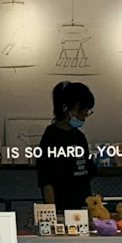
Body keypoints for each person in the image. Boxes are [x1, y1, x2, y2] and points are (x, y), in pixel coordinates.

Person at [35, 80, 96, 215]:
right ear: (66, 108)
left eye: (87, 111)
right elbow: (46, 181)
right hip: (62, 210)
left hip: (83, 208)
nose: (85, 115)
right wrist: (53, 214)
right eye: (81, 110)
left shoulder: (79, 137)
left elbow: (88, 172)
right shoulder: (51, 138)